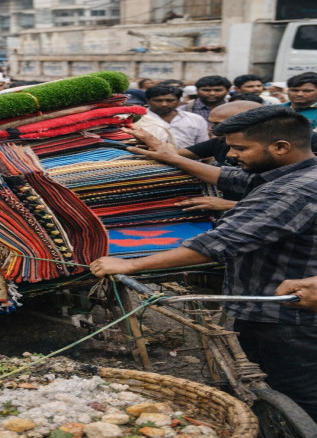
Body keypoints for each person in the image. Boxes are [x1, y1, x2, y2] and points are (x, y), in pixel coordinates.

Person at [91, 106, 317, 421]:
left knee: (299, 394)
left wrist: (130, 265)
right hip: (278, 307)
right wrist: (174, 158)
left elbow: (214, 246)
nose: (233, 155)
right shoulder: (297, 172)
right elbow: (235, 178)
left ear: (281, 147)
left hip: (284, 316)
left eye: (241, 148)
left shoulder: (290, 192)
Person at [135, 85, 208, 148]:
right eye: (158, 101)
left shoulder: (196, 119)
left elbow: (203, 146)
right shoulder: (138, 119)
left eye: (170, 101)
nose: (164, 104)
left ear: (179, 100)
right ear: (147, 101)